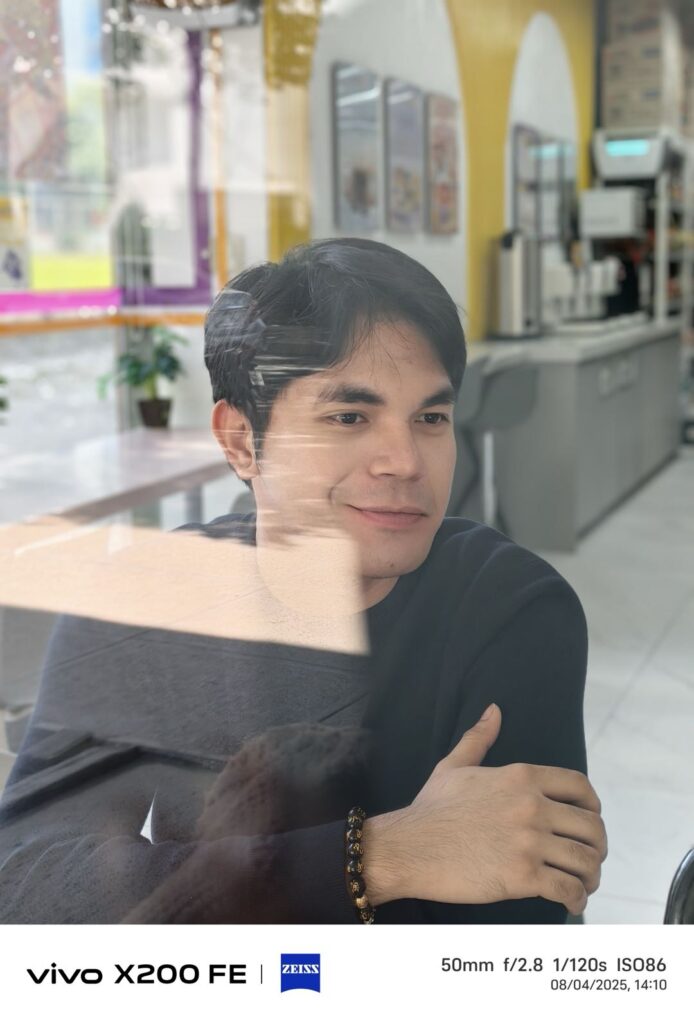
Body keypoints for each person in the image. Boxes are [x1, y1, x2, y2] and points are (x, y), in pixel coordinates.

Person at [0, 238, 606, 924]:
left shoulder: (510, 610)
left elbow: (506, 938)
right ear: (240, 441)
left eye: (430, 418)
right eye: (349, 418)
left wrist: (193, 895)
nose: (406, 461)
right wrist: (380, 856)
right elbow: (27, 889)